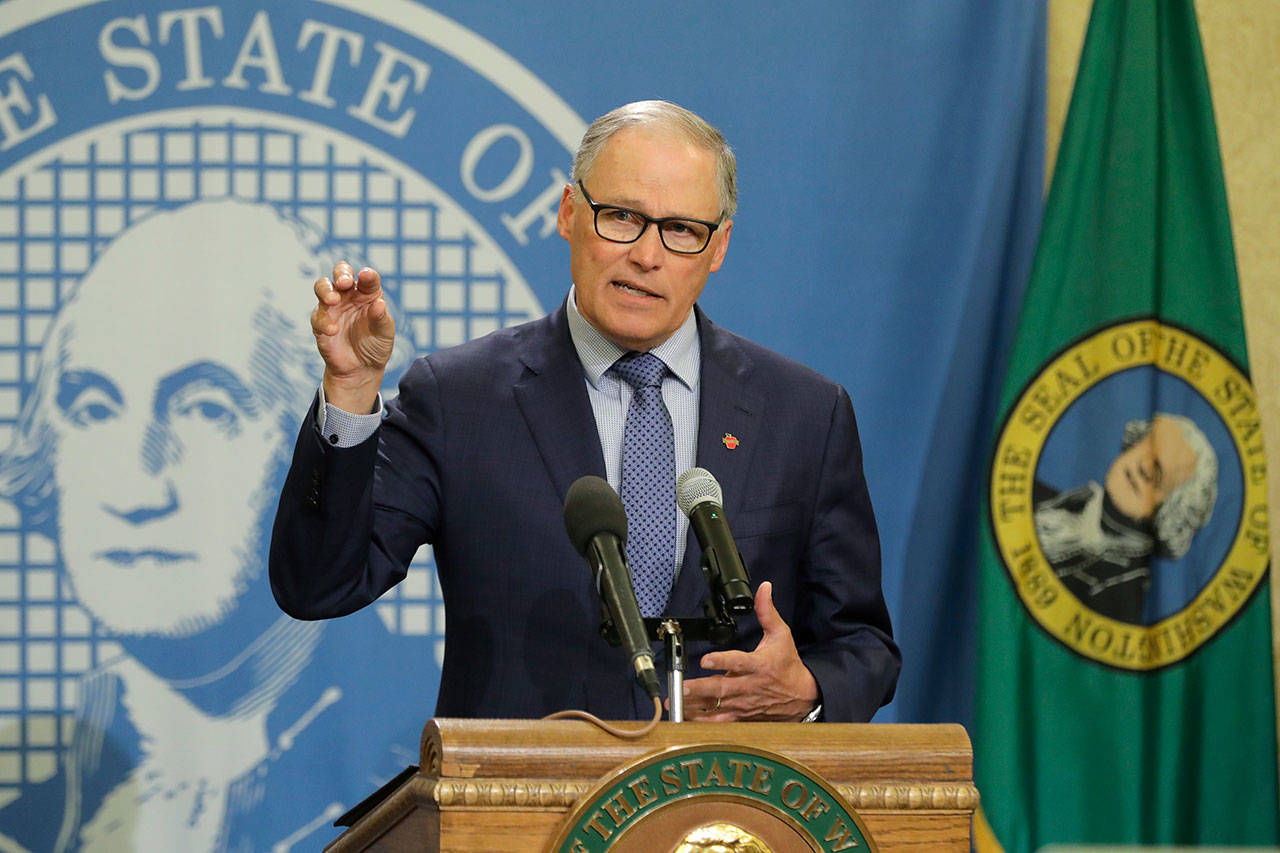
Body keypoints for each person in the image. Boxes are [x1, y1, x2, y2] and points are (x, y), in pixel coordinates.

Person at [270, 100, 900, 723]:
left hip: (721, 787)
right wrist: (351, 390)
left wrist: (807, 689)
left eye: (682, 230)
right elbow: (319, 584)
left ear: (719, 247)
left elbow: (863, 645)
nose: (647, 255)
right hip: (523, 786)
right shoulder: (458, 398)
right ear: (569, 212)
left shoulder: (803, 415)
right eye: (622, 217)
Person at [0, 199, 432, 851]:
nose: (136, 488)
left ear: (315, 444)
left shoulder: (430, 778)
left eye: (206, 408)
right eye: (93, 408)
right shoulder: (34, 821)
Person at [1034, 412, 1218, 623]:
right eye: (1148, 447)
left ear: (1173, 511)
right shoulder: (1033, 499)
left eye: (1161, 473)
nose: (1144, 468)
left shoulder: (1117, 606)